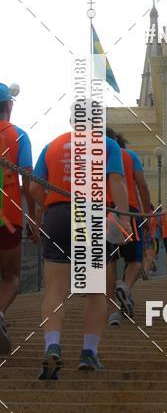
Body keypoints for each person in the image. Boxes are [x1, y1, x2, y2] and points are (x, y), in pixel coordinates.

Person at [30, 119, 129, 378]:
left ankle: (53, 345)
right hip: (93, 214)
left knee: (55, 289)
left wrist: (51, 206)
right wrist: (124, 218)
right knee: (96, 291)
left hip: (58, 214)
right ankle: (89, 353)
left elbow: (33, 188)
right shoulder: (107, 144)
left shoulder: (53, 145)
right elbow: (116, 181)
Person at [0, 83, 36, 354]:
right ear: (9, 106)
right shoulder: (19, 136)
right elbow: (30, 183)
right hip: (8, 217)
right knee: (11, 278)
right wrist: (33, 218)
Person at [106, 131, 151, 325]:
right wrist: (146, 213)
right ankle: (125, 286)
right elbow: (142, 185)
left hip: (101, 210)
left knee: (110, 263)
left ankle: (112, 312)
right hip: (128, 211)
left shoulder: (92, 154)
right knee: (135, 260)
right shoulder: (129, 155)